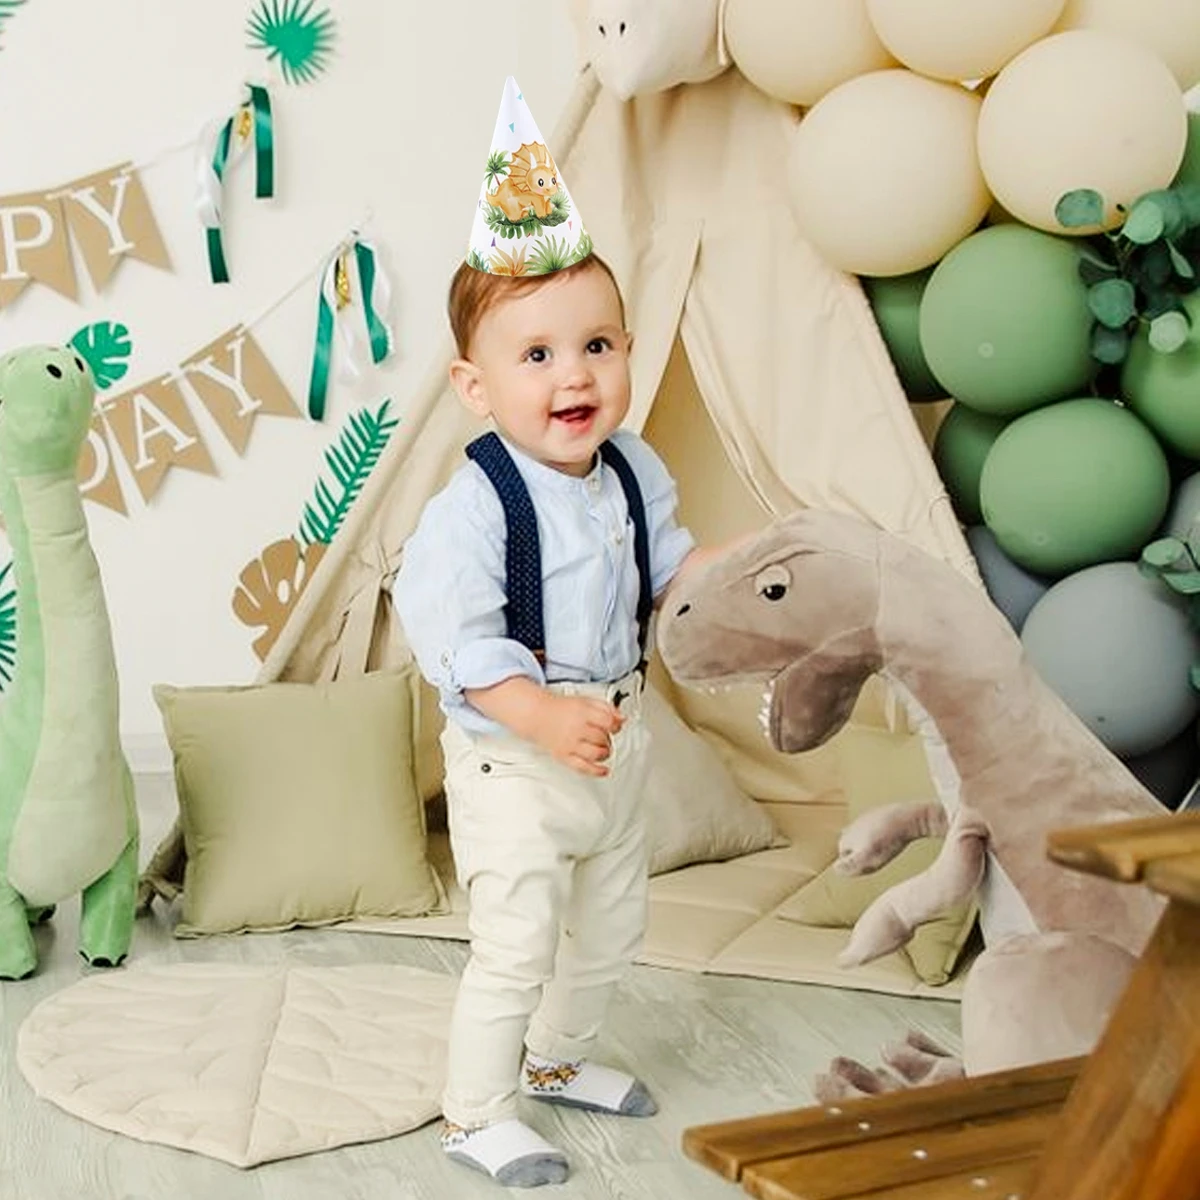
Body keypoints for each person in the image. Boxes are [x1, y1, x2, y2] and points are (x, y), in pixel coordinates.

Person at [394, 77, 727, 1188]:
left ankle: (556, 1061)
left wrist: (722, 581)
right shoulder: (477, 502)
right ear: (475, 386)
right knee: (518, 939)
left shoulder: (633, 467)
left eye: (596, 345)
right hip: (513, 757)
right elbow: (453, 636)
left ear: (629, 348)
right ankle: (474, 1111)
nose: (573, 374)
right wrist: (538, 711)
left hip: (617, 740)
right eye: (535, 356)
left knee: (612, 922)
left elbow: (670, 566)